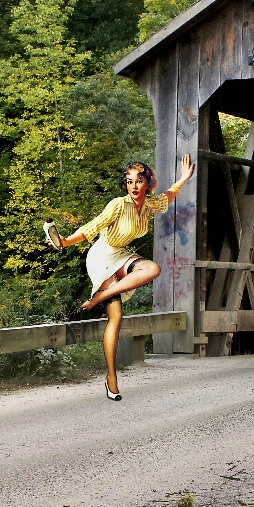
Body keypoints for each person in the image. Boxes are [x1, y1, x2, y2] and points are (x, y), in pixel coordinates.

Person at [49, 154, 195, 401]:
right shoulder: (118, 204)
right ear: (125, 184)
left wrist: (182, 179)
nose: (134, 186)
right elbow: (91, 228)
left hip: (122, 254)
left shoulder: (147, 205)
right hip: (101, 256)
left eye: (139, 181)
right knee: (115, 317)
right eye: (129, 181)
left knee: (152, 269)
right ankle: (111, 377)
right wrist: (64, 242)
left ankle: (99, 297)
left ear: (147, 183)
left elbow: (166, 198)